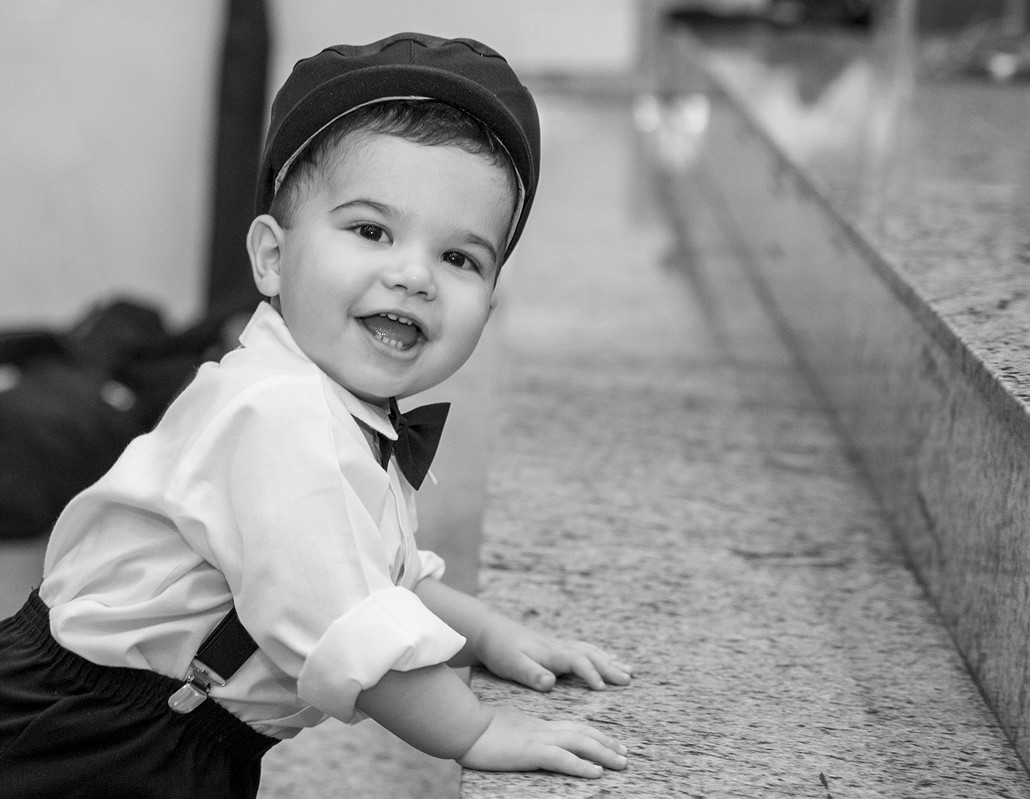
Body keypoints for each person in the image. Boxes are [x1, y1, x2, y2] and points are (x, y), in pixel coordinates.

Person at [0, 32, 632, 798]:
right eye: (371, 231)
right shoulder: (278, 413)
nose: (413, 275)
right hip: (88, 735)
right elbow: (350, 629)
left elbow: (380, 578)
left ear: (489, 306)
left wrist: (491, 634)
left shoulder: (339, 408)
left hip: (164, 724)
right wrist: (477, 731)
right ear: (272, 257)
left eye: (459, 258)